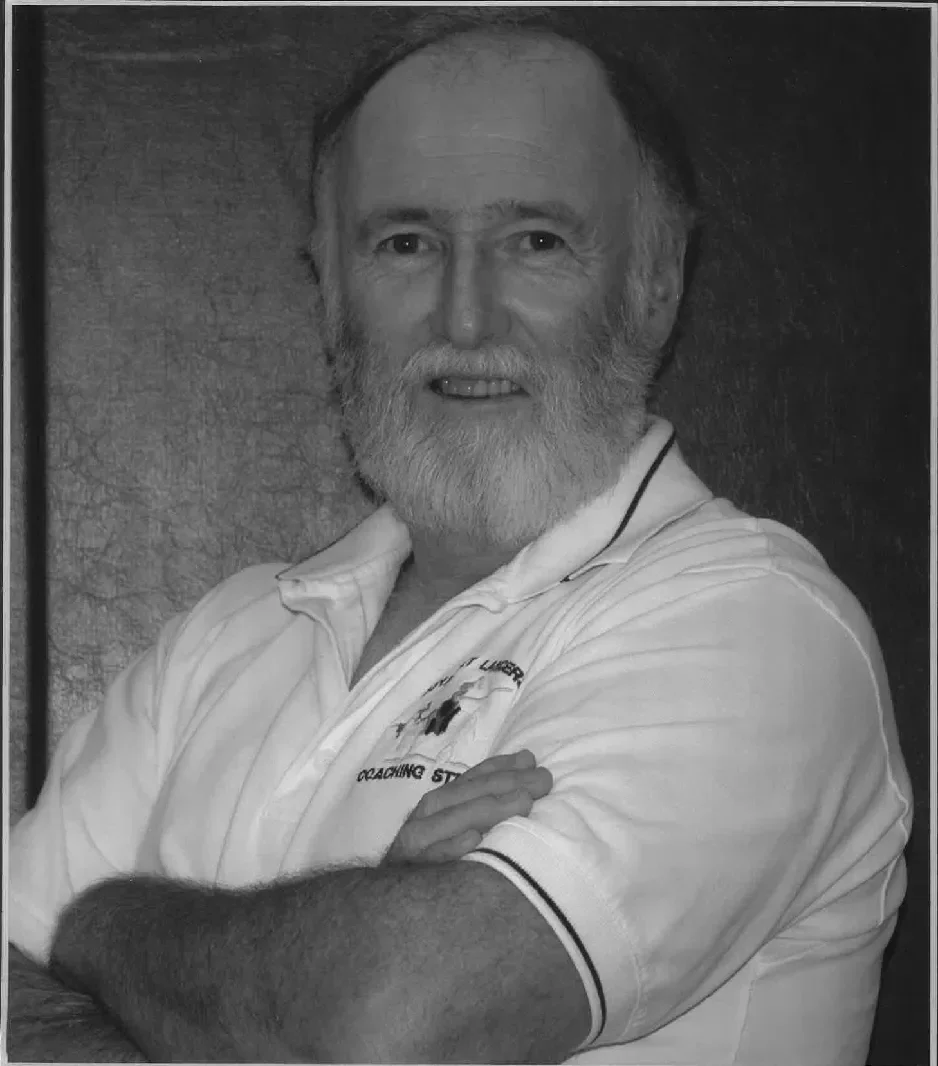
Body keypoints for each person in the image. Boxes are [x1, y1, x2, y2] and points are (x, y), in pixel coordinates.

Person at [6, 8, 913, 1064]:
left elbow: (393, 1021)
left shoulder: (760, 628)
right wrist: (347, 936)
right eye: (406, 243)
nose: (466, 318)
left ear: (656, 282)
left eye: (536, 242)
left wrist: (103, 921)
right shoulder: (228, 634)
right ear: (329, 282)